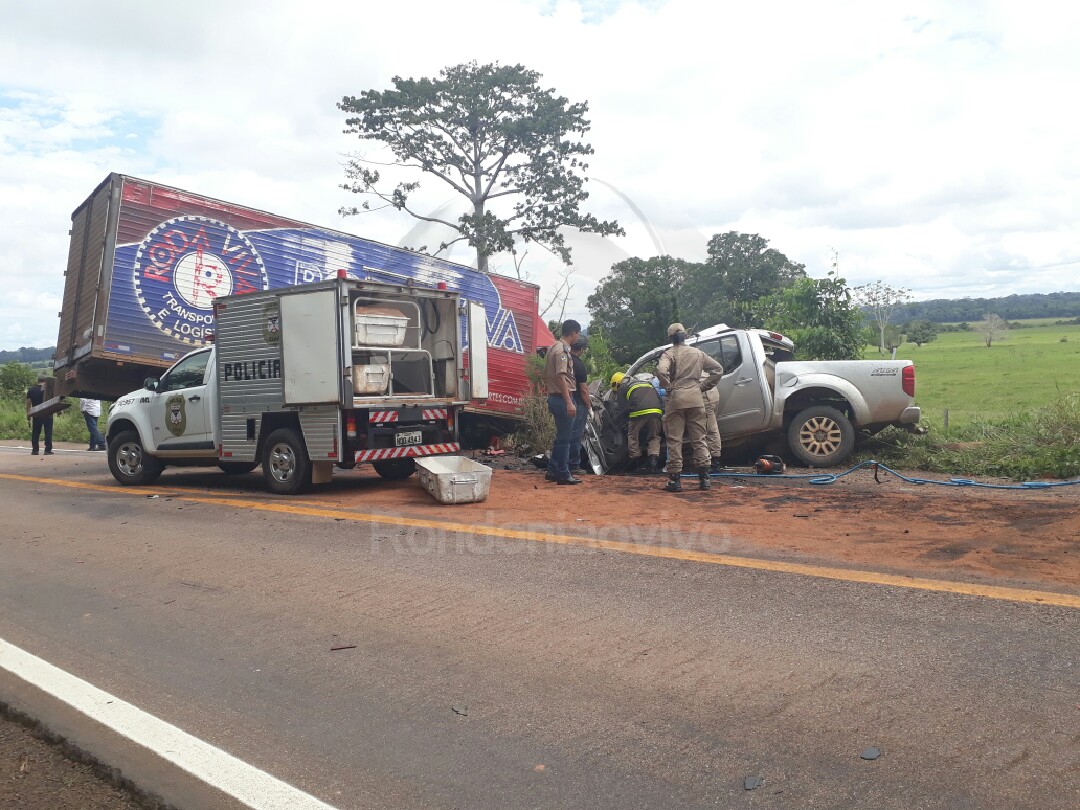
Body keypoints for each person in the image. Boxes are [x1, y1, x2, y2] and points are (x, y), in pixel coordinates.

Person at [656, 324, 723, 492]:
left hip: (676, 400)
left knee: (675, 440)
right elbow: (718, 369)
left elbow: (661, 371)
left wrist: (668, 386)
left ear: (670, 338)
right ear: (685, 337)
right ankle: (704, 479)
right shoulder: (697, 353)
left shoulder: (668, 354)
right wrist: (702, 386)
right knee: (699, 439)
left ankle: (675, 481)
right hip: (696, 399)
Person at [543, 319, 583, 485]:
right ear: (573, 333)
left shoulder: (553, 346)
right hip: (561, 398)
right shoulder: (562, 351)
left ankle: (553, 470)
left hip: (555, 397)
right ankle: (563, 473)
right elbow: (561, 377)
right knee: (566, 438)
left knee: (561, 437)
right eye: (578, 334)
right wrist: (569, 401)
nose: (578, 337)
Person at [613, 371, 663, 473]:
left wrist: (617, 422)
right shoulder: (645, 383)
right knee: (654, 437)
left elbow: (622, 408)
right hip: (656, 411)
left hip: (638, 413)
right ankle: (653, 464)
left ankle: (637, 463)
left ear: (617, 383)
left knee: (632, 436)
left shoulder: (622, 387)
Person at [569, 337, 591, 472]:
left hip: (566, 400)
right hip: (578, 403)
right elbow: (583, 390)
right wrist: (589, 407)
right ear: (582, 349)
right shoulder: (579, 364)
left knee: (566, 434)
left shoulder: (566, 360)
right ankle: (573, 464)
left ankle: (562, 464)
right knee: (576, 434)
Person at [25, 374, 54, 456]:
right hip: (48, 413)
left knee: (36, 432)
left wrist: (28, 414)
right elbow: (54, 401)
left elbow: (28, 403)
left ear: (38, 381)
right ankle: (47, 450)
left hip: (36, 414)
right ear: (45, 381)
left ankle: (35, 450)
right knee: (48, 432)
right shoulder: (49, 389)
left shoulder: (31, 390)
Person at [701, 374, 724, 472]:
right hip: (712, 393)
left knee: (710, 430)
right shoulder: (699, 359)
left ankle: (714, 463)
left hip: (705, 396)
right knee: (711, 426)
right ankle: (713, 460)